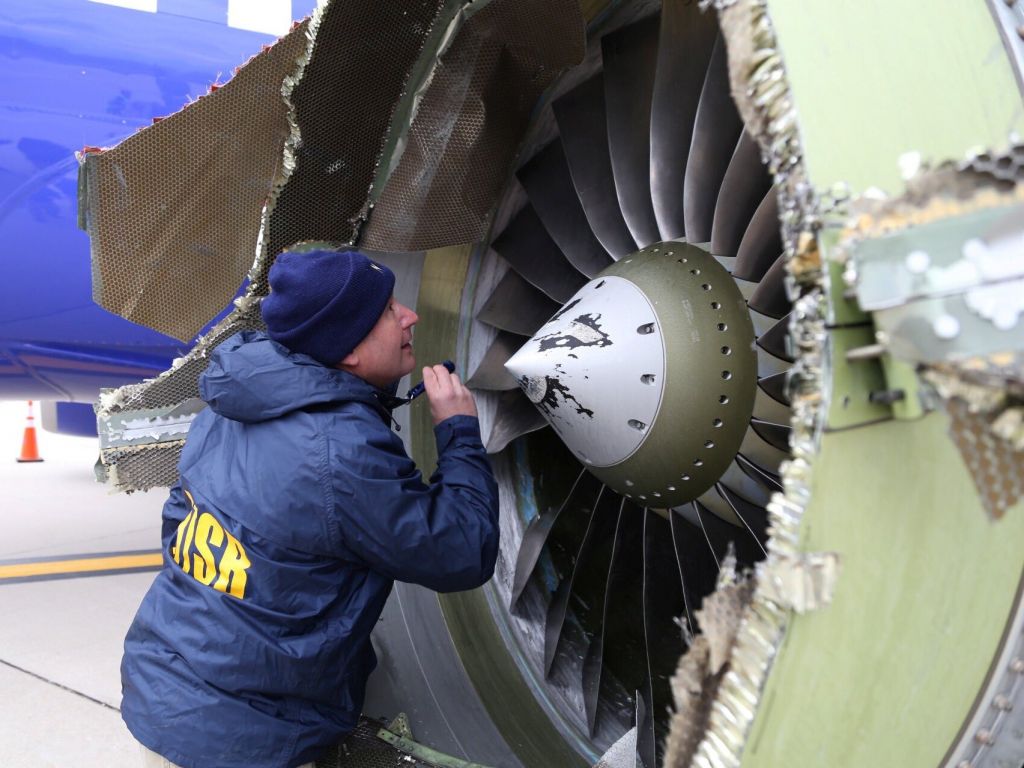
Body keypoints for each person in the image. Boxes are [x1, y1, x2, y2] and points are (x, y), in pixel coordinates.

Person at [120, 247, 500, 768]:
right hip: (243, 742)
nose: (409, 315)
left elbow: (179, 520)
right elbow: (462, 551)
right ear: (346, 350)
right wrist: (457, 432)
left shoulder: (234, 399)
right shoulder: (342, 452)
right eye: (389, 310)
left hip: (162, 692)